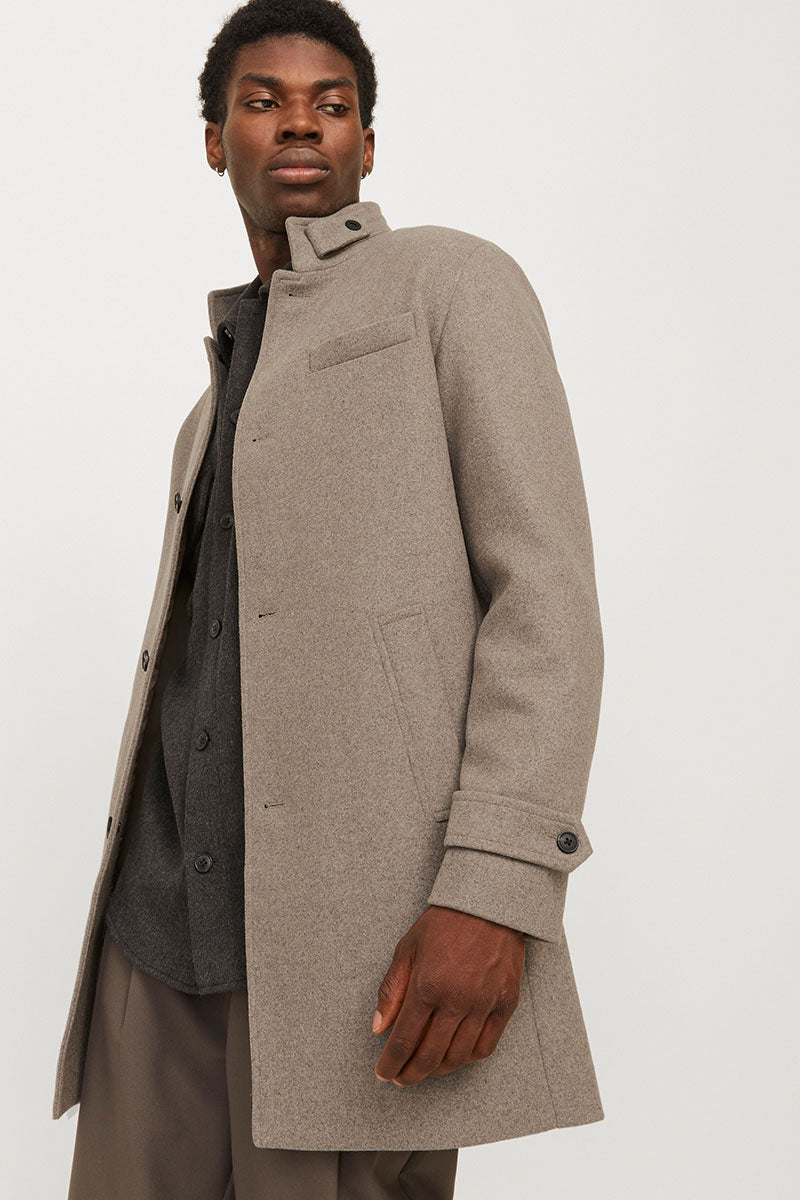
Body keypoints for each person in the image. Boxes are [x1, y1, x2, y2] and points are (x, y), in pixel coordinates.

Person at [54, 1, 606, 1196]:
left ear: (366, 142)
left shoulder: (448, 286)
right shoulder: (208, 414)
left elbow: (544, 602)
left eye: (331, 104)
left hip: (353, 952)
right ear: (216, 140)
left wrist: (496, 890)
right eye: (262, 101)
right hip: (154, 950)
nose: (299, 123)